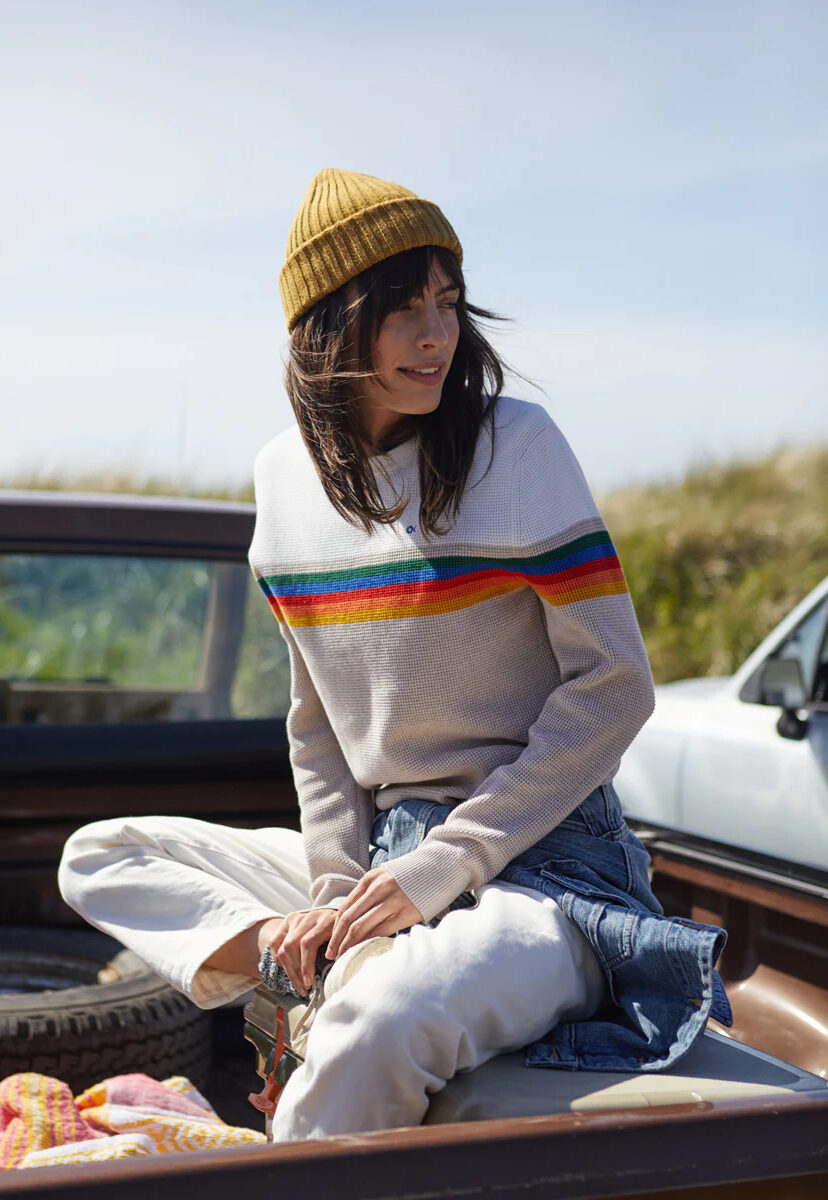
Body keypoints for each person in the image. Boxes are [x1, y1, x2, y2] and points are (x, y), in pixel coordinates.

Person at [58, 168, 731, 1142]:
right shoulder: (282, 478)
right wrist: (335, 901)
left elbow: (616, 687)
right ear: (328, 325)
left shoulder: (518, 446)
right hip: (381, 860)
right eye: (401, 308)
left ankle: (336, 1023)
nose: (436, 335)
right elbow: (320, 725)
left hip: (542, 870)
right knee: (103, 853)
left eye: (448, 303)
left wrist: (444, 869)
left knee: (382, 1023)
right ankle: (315, 970)